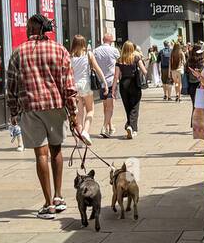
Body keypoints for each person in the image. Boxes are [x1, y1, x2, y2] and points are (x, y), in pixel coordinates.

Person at [7, 13, 77, 218]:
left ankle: (48, 203)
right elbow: (69, 85)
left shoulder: (18, 52)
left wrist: (13, 111)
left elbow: (11, 85)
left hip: (31, 108)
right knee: (56, 151)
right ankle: (58, 196)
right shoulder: (59, 50)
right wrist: (73, 113)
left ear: (31, 29)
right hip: (55, 106)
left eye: (28, 27)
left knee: (41, 154)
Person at [69, 34, 105, 145]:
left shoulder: (70, 57)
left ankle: (80, 140)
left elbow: (69, 74)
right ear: (84, 44)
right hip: (85, 85)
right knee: (90, 110)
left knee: (79, 114)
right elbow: (97, 69)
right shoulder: (88, 55)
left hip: (75, 86)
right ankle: (85, 132)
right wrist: (104, 82)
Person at [115, 41, 148, 139]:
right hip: (134, 84)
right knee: (135, 107)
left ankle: (129, 125)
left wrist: (113, 89)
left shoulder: (119, 60)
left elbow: (116, 76)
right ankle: (132, 128)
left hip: (123, 84)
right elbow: (145, 71)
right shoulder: (136, 58)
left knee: (127, 107)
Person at [93, 33, 120, 137]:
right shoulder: (114, 51)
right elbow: (119, 63)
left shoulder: (96, 51)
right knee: (110, 107)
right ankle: (104, 127)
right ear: (111, 40)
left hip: (101, 81)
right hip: (111, 81)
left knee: (105, 106)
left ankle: (110, 126)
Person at [184, 42, 204, 129]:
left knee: (194, 105)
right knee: (201, 106)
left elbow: (186, 72)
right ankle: (200, 124)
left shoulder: (189, 60)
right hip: (200, 85)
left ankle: (193, 124)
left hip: (191, 86)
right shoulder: (201, 61)